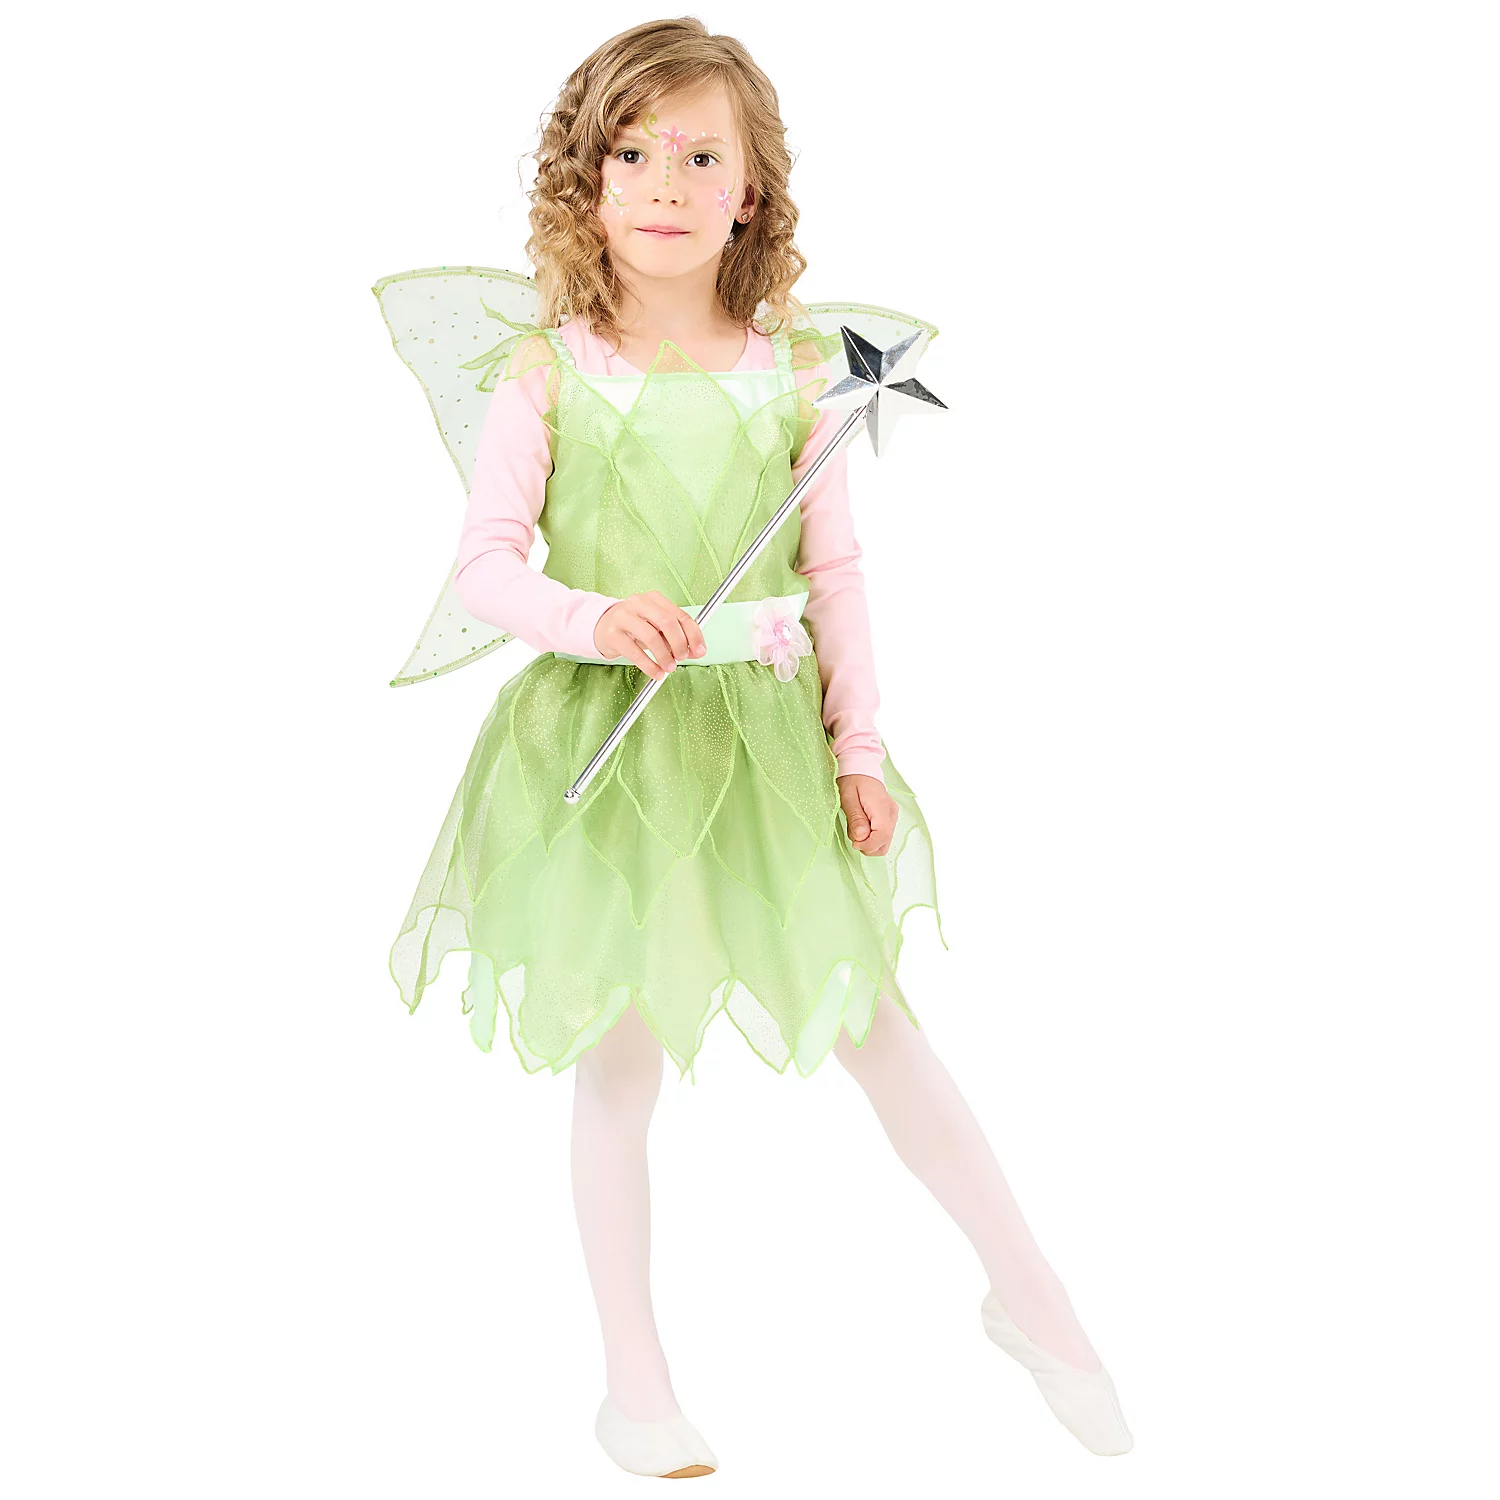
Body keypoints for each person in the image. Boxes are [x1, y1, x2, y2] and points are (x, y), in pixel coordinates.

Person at [377, 17, 1132, 1478]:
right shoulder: (549, 371)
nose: (664, 183)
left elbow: (833, 573)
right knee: (618, 1061)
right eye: (631, 153)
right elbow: (485, 566)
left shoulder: (797, 373)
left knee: (877, 1025)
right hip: (612, 742)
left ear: (752, 190)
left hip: (768, 744)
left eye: (701, 155)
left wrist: (860, 748)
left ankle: (1034, 1299)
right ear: (585, 180)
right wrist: (595, 617)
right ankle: (636, 1383)